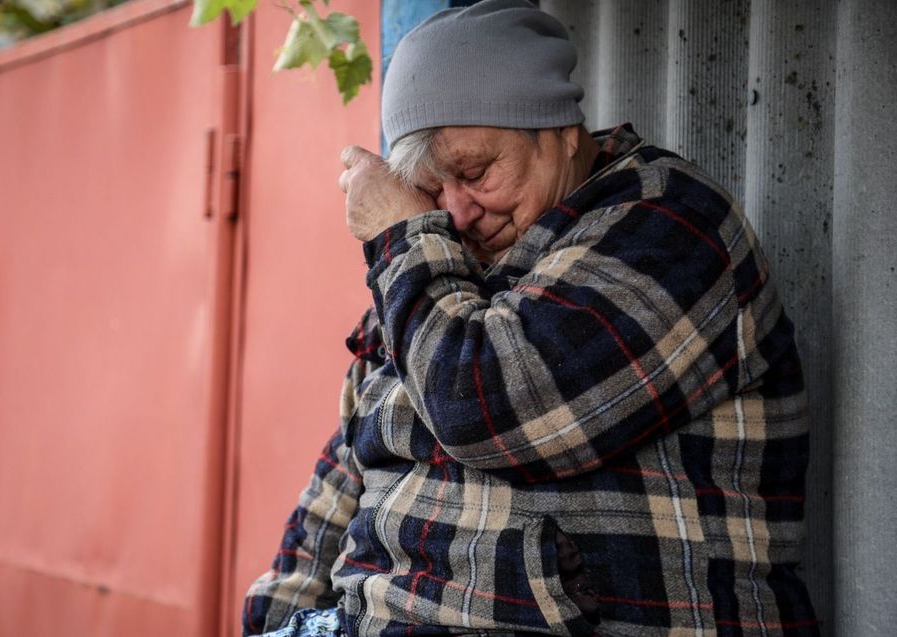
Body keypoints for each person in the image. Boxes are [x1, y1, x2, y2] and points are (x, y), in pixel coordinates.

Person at [243, 1, 819, 635]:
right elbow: (349, 462)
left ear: (562, 131)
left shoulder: (672, 228)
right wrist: (276, 612)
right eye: (431, 191)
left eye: (474, 172)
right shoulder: (439, 266)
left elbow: (482, 409)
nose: (458, 212)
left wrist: (402, 237)